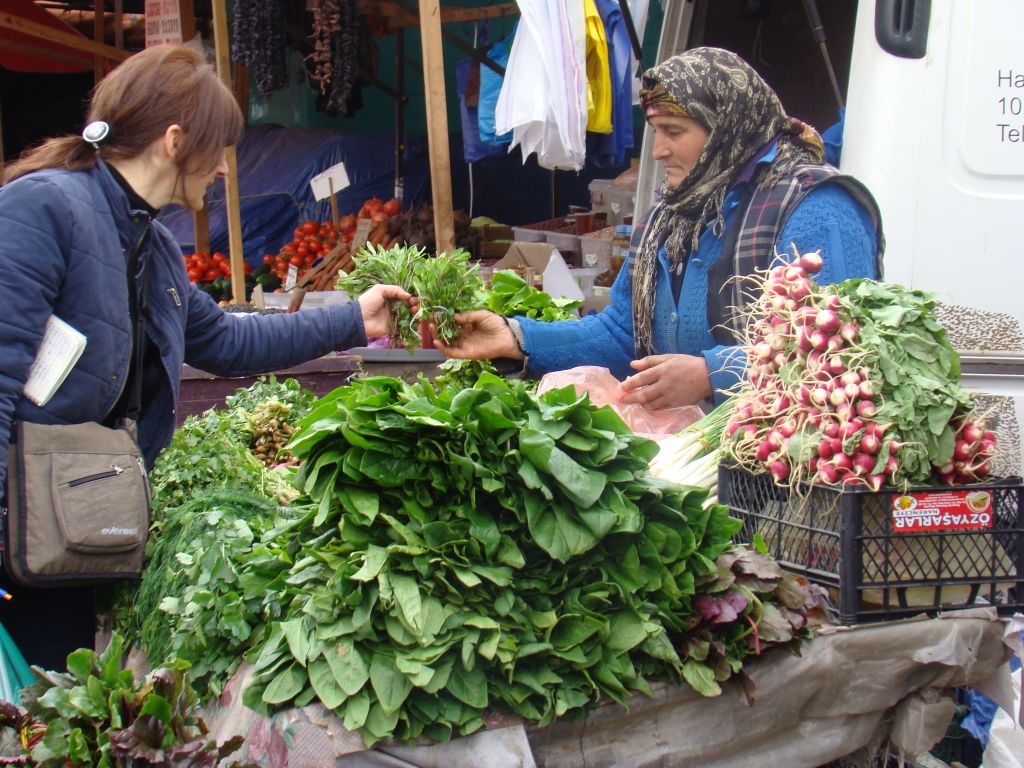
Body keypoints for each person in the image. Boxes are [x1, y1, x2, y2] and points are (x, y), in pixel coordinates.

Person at [0, 45, 413, 670]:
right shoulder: (44, 209)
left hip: (73, 533)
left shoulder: (154, 247)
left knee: (57, 703)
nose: (224, 170)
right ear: (174, 141)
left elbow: (227, 341)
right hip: (20, 537)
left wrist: (355, 318)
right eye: (218, 149)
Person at [432, 47, 883, 410]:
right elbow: (620, 335)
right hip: (690, 470)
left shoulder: (815, 204)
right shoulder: (668, 216)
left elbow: (839, 350)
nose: (659, 151)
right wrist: (515, 337)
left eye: (674, 130)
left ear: (727, 130)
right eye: (654, 131)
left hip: (785, 482)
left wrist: (712, 374)